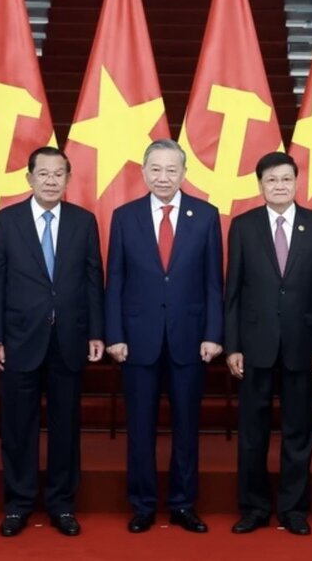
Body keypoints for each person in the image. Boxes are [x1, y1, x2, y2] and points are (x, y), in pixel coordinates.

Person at [0, 146, 104, 538]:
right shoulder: (5, 222)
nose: (51, 181)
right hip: (19, 340)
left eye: (59, 174)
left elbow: (92, 281)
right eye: (44, 174)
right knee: (19, 427)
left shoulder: (84, 222)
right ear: (29, 178)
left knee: (66, 426)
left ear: (68, 179)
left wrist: (96, 332)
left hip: (68, 339)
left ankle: (62, 504)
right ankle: (18, 504)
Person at [105, 138, 223, 534]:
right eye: (156, 169)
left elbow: (213, 282)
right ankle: (141, 504)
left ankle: (182, 504)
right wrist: (115, 334)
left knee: (187, 427)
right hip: (137, 339)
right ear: (143, 172)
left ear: (185, 173)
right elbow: (115, 280)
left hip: (190, 339)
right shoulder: (125, 216)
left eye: (172, 170)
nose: (163, 177)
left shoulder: (206, 216)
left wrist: (213, 334)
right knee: (140, 428)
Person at [224, 152, 312, 536]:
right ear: (260, 185)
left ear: (296, 181)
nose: (279, 186)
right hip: (254, 344)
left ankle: (294, 509)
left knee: (298, 431)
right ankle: (254, 507)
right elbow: (233, 291)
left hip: (302, 345)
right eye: (271, 180)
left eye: (286, 179)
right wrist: (232, 345)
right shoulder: (243, 226)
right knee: (252, 432)